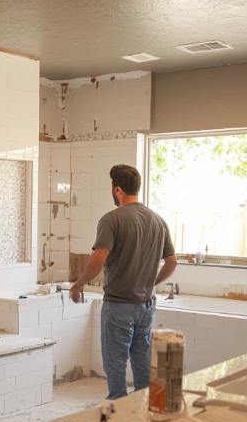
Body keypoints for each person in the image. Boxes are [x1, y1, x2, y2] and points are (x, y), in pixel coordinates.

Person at [69, 164, 177, 400]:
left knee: (115, 360)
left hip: (119, 306)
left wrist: (79, 284)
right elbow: (171, 263)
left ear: (117, 189)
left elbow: (98, 260)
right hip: (146, 306)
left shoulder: (112, 219)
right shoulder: (159, 221)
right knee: (142, 358)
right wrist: (151, 283)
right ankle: (143, 411)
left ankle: (118, 408)